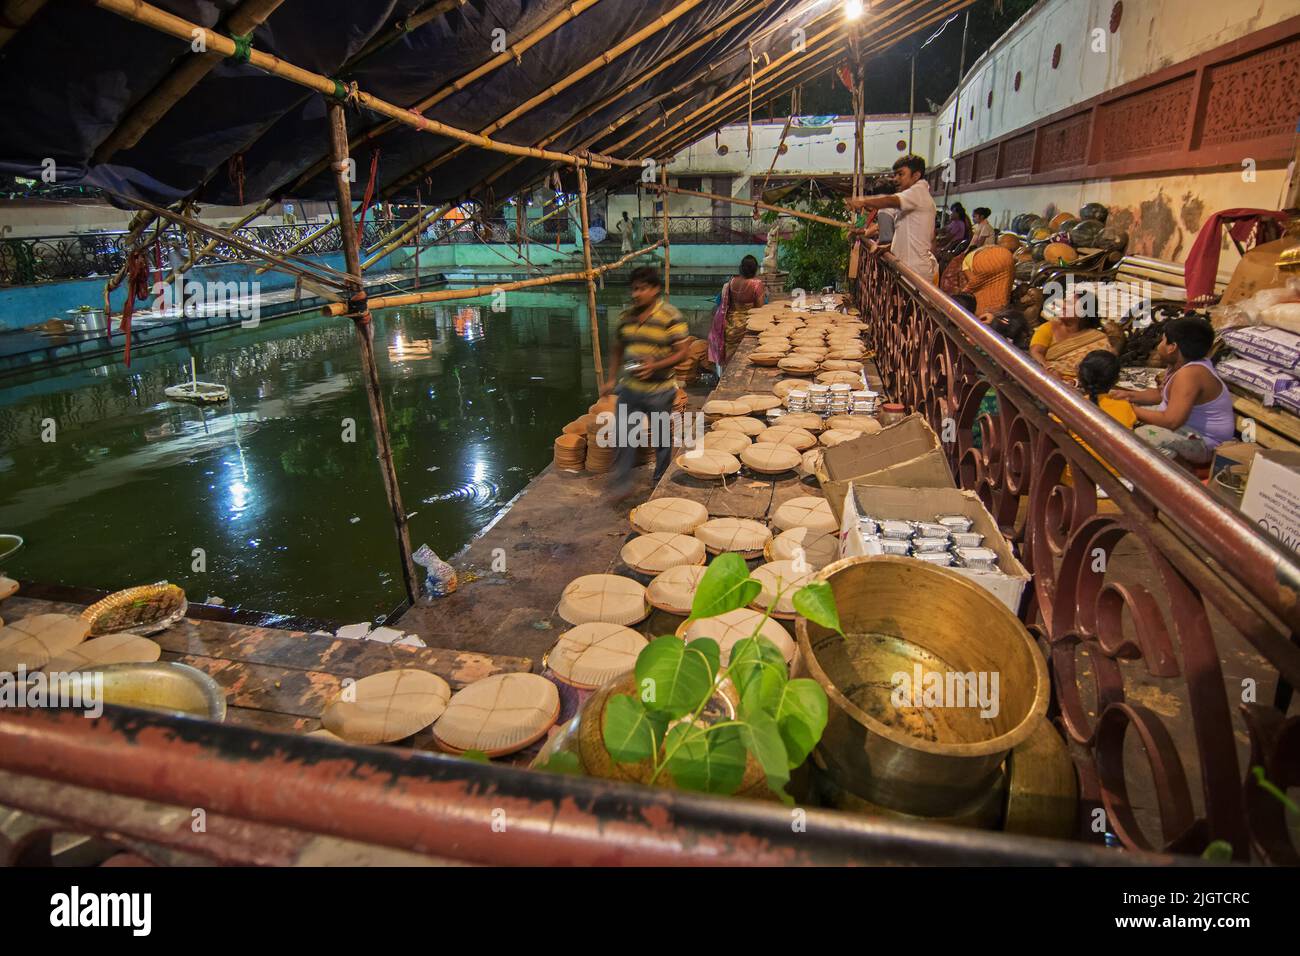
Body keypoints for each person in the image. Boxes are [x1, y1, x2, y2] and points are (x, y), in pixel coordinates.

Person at [602, 266, 691, 494]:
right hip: (630, 388)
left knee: (661, 438)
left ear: (655, 289)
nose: (635, 294)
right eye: (633, 289)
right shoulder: (627, 317)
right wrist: (611, 378)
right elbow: (617, 349)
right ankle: (621, 482)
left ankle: (659, 479)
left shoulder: (670, 316)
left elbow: (683, 352)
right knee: (624, 436)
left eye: (641, 289)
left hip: (660, 390)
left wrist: (655, 365)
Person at [1111, 316, 1234, 464]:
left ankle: (1182, 473)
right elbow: (1161, 395)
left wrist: (1129, 409)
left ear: (1172, 347)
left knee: (1140, 437)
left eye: (1163, 340)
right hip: (1186, 429)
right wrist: (1129, 396)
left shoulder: (1191, 374)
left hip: (1205, 443)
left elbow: (1171, 421)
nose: (1159, 345)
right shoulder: (1179, 364)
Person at [847, 154, 937, 282]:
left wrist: (863, 201)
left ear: (916, 175)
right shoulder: (914, 197)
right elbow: (909, 233)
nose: (896, 179)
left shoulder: (918, 192)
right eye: (895, 175)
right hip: (907, 267)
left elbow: (892, 201)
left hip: (915, 271)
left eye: (901, 174)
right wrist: (891, 246)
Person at [1029, 286, 1112, 384]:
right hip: (1048, 379)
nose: (1063, 306)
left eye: (1069, 304)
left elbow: (1103, 370)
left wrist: (1075, 382)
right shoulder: (1048, 327)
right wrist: (1050, 370)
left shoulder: (1098, 339)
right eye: (1064, 302)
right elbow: (1035, 352)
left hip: (1082, 384)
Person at [708, 254, 766, 375]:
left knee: (730, 358)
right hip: (747, 326)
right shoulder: (756, 284)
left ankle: (725, 378)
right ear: (755, 268)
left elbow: (724, 304)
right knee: (744, 359)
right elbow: (760, 310)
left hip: (730, 325)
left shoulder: (732, 281)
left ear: (741, 268)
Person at [961, 245, 1015, 315]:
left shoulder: (967, 262)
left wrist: (964, 291)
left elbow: (973, 282)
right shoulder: (1006, 254)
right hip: (1005, 256)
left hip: (981, 260)